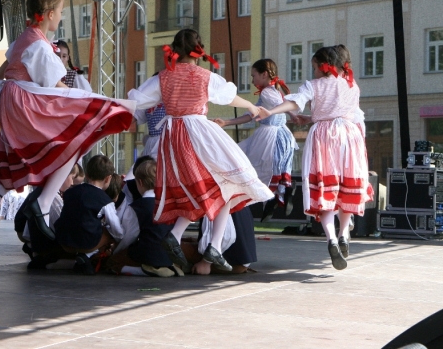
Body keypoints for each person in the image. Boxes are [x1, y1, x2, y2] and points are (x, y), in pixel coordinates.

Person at [0, 0, 134, 241]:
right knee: (70, 142)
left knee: (25, 150)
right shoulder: (39, 45)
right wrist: (89, 99)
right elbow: (54, 85)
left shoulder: (25, 38)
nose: (61, 17)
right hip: (24, 100)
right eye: (59, 12)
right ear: (48, 14)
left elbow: (5, 67)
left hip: (12, 99)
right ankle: (43, 203)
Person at [127, 29, 274, 272]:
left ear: (175, 50)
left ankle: (188, 237)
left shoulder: (163, 77)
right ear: (199, 51)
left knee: (208, 187)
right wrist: (250, 105)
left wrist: (105, 108)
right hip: (198, 132)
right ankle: (211, 244)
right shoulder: (205, 76)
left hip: (173, 136)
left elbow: (137, 100)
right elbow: (229, 97)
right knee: (229, 179)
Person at [256, 46, 372, 270]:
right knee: (346, 188)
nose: (313, 71)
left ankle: (331, 239)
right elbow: (345, 113)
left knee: (325, 188)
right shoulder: (350, 84)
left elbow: (296, 101)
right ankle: (344, 236)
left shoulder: (315, 85)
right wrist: (309, 118)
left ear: (321, 66)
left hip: (325, 138)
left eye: (314, 67)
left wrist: (271, 111)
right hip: (350, 136)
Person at [214, 59, 298, 221]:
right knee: (267, 167)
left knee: (250, 165)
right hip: (280, 134)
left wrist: (292, 113)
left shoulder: (267, 92)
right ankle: (279, 193)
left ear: (264, 74)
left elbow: (280, 105)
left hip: (271, 136)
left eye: (253, 76)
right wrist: (227, 122)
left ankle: (272, 197)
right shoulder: (272, 90)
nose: (252, 80)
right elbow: (253, 114)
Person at [108, 159, 183, 277]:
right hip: (170, 255)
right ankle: (168, 267)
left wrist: (116, 251)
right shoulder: (171, 204)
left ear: (140, 182)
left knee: (114, 262)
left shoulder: (137, 207)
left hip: (149, 253)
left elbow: (129, 236)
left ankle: (142, 269)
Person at [54, 155, 124, 275]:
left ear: (86, 174)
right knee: (110, 231)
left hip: (63, 240)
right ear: (108, 179)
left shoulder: (70, 192)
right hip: (86, 243)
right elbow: (117, 230)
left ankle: (80, 257)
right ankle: (86, 255)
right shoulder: (105, 201)